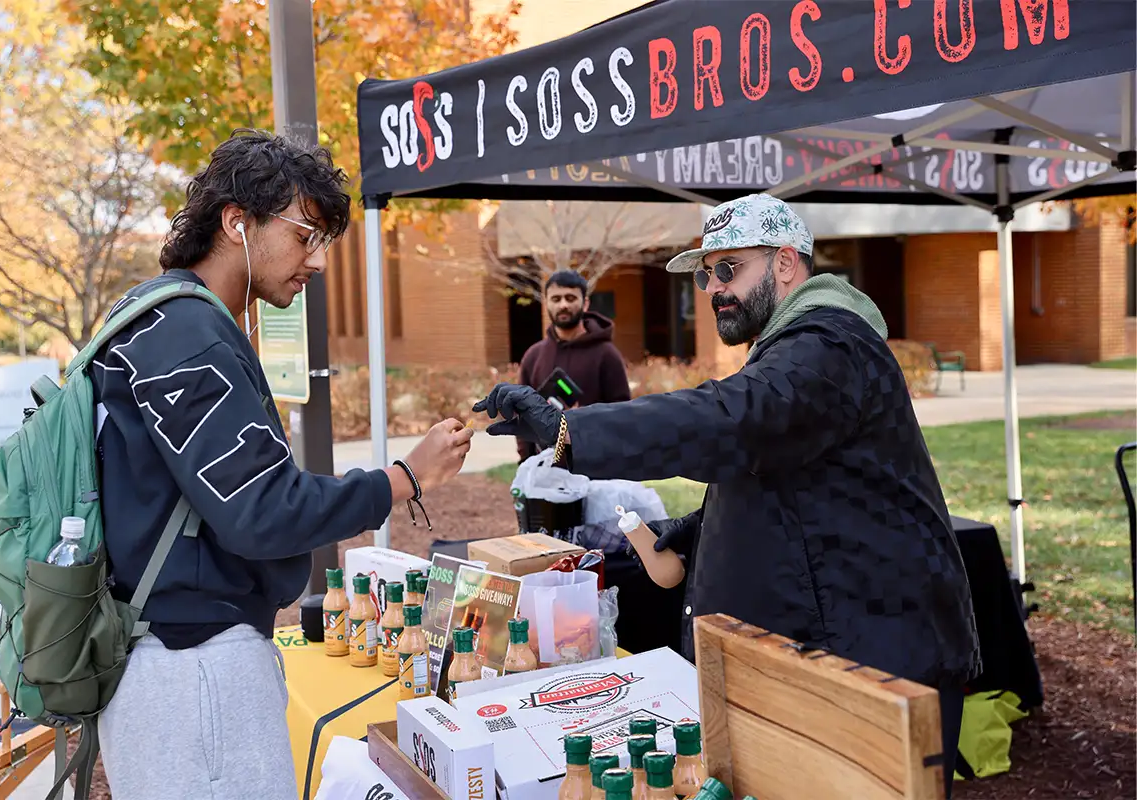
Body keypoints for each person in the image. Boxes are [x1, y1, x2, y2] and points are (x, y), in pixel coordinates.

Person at [474, 194, 979, 800]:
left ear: (786, 264)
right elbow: (788, 471)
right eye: (705, 274)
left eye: (729, 269)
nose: (713, 288)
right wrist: (704, 523)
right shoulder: (794, 348)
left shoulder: (829, 346)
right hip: (827, 659)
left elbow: (732, 420)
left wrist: (568, 431)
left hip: (872, 665)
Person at [91, 129, 473, 800]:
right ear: (236, 223)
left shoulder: (153, 318)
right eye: (304, 236)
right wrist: (403, 478)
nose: (316, 262)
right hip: (195, 672)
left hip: (173, 664)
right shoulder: (187, 332)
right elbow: (263, 512)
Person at [515, 270, 630, 461]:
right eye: (556, 299)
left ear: (585, 303)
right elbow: (521, 415)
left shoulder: (607, 355)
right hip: (544, 471)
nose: (563, 305)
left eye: (570, 298)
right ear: (546, 303)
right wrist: (526, 462)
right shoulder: (533, 356)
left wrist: (581, 420)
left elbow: (622, 416)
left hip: (594, 469)